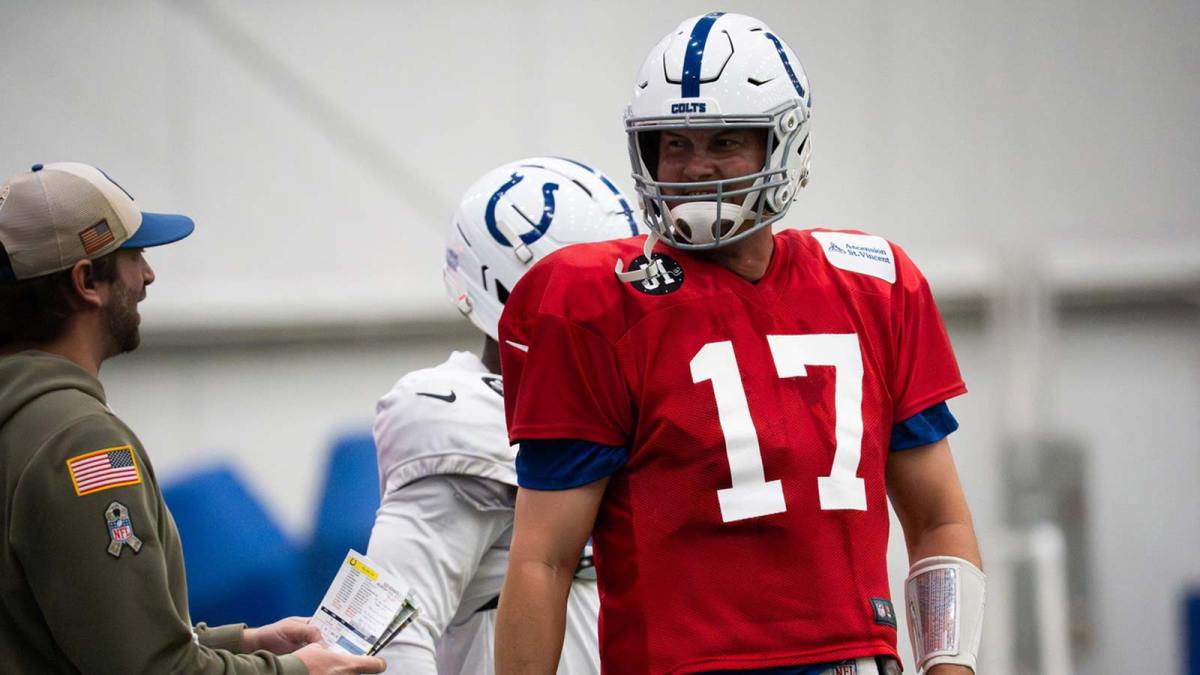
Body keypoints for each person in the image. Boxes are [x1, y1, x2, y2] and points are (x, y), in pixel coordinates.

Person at [494, 13, 984, 675]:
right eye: (675, 144)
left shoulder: (874, 285)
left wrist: (949, 666)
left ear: (782, 143)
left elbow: (938, 521)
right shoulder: (597, 303)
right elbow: (542, 559)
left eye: (724, 141)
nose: (696, 167)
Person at [0, 162, 387, 674]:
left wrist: (242, 642)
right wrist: (299, 670)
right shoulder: (81, 440)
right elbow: (150, 670)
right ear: (85, 281)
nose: (148, 275)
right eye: (134, 256)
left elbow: (73, 627)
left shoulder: (22, 420)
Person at [365, 156, 642, 674]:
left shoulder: (621, 398)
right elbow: (375, 635)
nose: (626, 298)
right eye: (599, 281)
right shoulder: (467, 422)